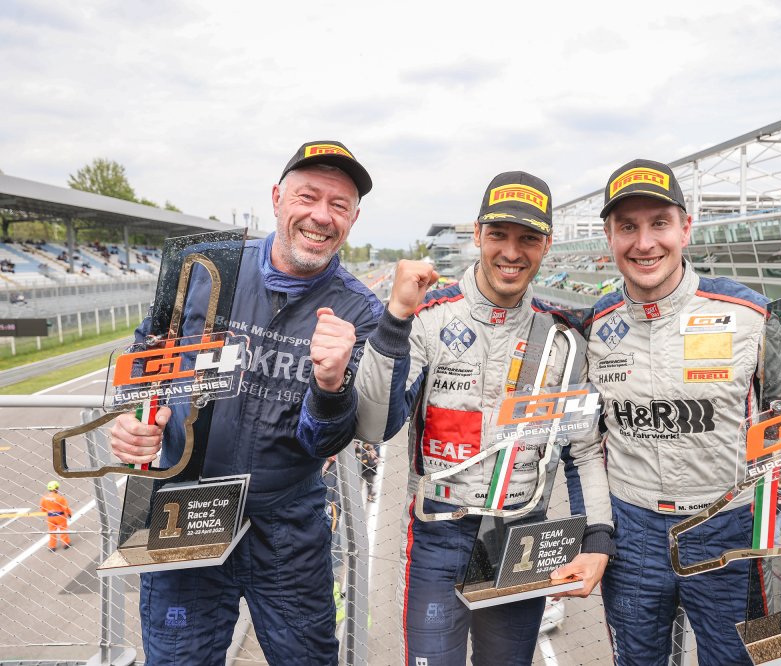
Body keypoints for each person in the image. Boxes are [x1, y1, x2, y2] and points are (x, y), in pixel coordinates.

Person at [108, 140, 382, 665]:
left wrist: (330, 386)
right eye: (307, 196)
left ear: (353, 219)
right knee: (178, 659)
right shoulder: (204, 266)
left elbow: (325, 441)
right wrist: (133, 418)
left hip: (286, 524)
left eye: (339, 205)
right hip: (185, 506)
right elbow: (146, 356)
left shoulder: (359, 311)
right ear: (277, 198)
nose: (321, 216)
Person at [588, 159, 781, 666]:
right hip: (631, 529)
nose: (644, 243)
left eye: (659, 223)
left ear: (686, 229)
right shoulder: (595, 325)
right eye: (627, 227)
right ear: (610, 236)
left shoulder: (749, 313)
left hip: (728, 525)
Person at [354, 171, 614, 665]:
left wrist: (598, 538)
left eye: (528, 238)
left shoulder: (563, 338)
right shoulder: (428, 317)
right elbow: (372, 425)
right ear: (477, 234)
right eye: (498, 234)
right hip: (438, 532)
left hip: (521, 533)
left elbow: (583, 452)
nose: (511, 252)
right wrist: (394, 320)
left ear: (547, 245)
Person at [40, 480, 72, 551]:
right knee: (63, 529)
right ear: (56, 488)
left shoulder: (44, 498)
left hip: (50, 516)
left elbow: (42, 508)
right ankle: (65, 544)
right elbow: (65, 507)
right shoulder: (59, 498)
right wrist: (69, 514)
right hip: (60, 516)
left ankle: (52, 546)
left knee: (52, 531)